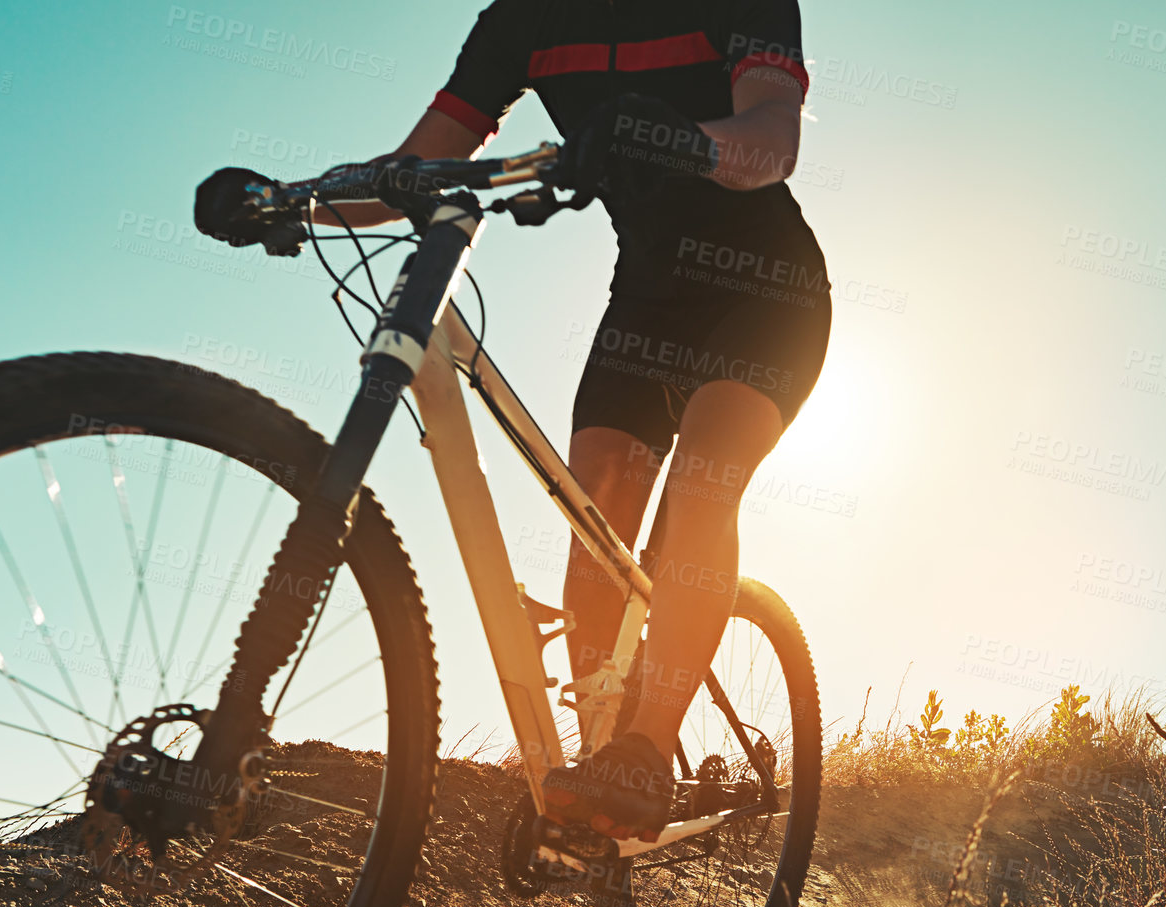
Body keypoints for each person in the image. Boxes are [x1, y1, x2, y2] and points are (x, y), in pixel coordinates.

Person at [195, 1, 831, 845]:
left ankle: (642, 750)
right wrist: (289, 202)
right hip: (647, 301)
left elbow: (770, 142)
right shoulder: (520, 23)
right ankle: (593, 771)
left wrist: (679, 139)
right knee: (594, 506)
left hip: (767, 293)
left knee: (704, 478)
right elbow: (412, 172)